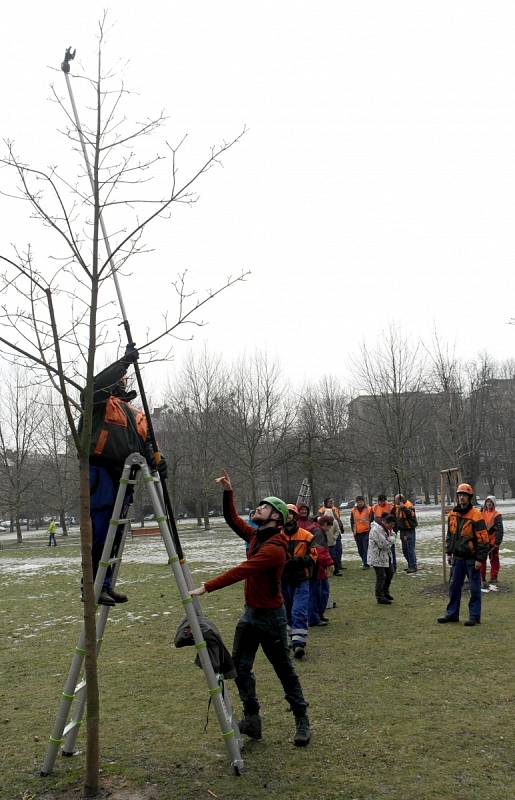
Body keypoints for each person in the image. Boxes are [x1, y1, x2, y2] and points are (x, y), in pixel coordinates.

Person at [189, 470, 311, 747]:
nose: (258, 508)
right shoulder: (257, 536)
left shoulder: (275, 549)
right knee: (241, 668)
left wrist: (206, 587)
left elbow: (242, 570)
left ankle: (302, 719)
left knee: (284, 671)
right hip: (250, 615)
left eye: (264, 506)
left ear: (276, 517)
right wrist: (228, 491)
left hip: (271, 619)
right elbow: (232, 519)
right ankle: (253, 720)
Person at [82, 345, 167, 606]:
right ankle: (91, 585)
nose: (122, 381)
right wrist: (124, 362)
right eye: (119, 378)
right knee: (101, 530)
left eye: (124, 378)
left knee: (116, 534)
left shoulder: (135, 415)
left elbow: (148, 444)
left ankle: (105, 583)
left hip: (126, 477)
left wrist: (158, 461)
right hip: (102, 471)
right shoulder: (99, 405)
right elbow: (92, 388)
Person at [437, 483, 489, 627]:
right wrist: (449, 552)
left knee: (474, 588)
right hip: (457, 558)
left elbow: (483, 539)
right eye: (460, 495)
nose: (461, 498)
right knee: (454, 587)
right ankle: (452, 614)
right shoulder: (452, 514)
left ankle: (474, 616)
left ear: (469, 497)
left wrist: (480, 559)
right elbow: (450, 535)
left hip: (472, 559)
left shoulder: (476, 515)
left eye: (464, 496)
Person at [281, 504, 316, 660]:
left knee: (299, 610)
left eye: (291, 514)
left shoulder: (307, 536)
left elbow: (314, 556)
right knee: (287, 610)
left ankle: (299, 644)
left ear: (295, 517)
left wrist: (299, 561)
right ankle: (291, 638)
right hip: (284, 580)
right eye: (286, 514)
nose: (288, 517)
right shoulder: (277, 536)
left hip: (301, 579)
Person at [308, 516, 334, 626]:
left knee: (321, 592)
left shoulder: (316, 530)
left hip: (318, 567)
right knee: (317, 594)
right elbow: (319, 551)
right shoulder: (318, 533)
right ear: (325, 524)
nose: (329, 529)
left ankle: (318, 615)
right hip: (316, 568)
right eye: (329, 526)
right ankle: (314, 618)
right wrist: (330, 562)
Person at [367, 513, 396, 605]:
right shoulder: (375, 530)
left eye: (393, 526)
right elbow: (383, 544)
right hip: (377, 557)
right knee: (381, 577)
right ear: (385, 522)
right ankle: (380, 597)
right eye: (390, 525)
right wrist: (391, 540)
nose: (391, 528)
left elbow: (393, 536)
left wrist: (390, 539)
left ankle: (385, 592)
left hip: (386, 556)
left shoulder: (388, 529)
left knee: (390, 573)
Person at [480, 495, 504, 590]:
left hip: (493, 542)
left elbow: (499, 530)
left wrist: (497, 542)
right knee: (481, 560)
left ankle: (494, 577)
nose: (489, 503)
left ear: (494, 504)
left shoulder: (497, 515)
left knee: (494, 559)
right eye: (487, 502)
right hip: (483, 541)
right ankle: (482, 578)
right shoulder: (482, 513)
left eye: (490, 502)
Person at [392, 494, 418, 573]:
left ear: (400, 500)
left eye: (396, 500)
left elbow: (411, 514)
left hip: (409, 529)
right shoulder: (397, 507)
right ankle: (411, 564)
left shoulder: (409, 505)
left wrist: (403, 508)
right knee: (405, 550)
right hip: (402, 530)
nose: (395, 501)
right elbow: (397, 519)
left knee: (410, 549)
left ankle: (413, 566)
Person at [318, 497, 344, 575]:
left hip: (332, 542)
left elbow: (337, 531)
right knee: (324, 557)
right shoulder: (321, 521)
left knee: (334, 556)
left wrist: (334, 537)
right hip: (323, 543)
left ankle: (336, 570)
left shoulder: (334, 522)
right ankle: (325, 571)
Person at [372, 494, 395, 570]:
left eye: (383, 501)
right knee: (381, 549)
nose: (381, 502)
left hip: (388, 530)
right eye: (380, 501)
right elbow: (374, 518)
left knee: (391, 548)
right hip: (379, 530)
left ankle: (392, 565)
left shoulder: (390, 506)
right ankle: (383, 565)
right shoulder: (375, 507)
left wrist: (392, 529)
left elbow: (394, 518)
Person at [350, 496, 372, 568]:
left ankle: (366, 564)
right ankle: (365, 561)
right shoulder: (353, 510)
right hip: (357, 532)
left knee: (365, 548)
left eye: (361, 501)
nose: (359, 503)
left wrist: (370, 531)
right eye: (358, 501)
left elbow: (371, 520)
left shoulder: (369, 509)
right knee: (360, 549)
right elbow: (352, 521)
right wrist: (353, 531)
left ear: (363, 501)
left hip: (366, 531)